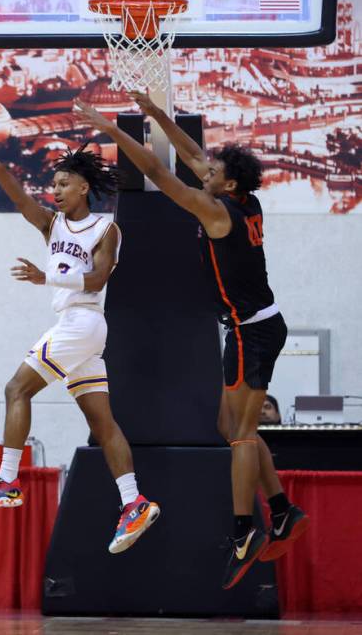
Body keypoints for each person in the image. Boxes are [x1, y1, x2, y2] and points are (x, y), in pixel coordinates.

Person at [74, 94, 308, 589]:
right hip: (254, 325)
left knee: (242, 434)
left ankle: (245, 530)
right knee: (229, 424)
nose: (206, 172)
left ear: (229, 183)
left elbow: (164, 178)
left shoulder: (215, 211)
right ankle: (284, 509)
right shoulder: (243, 198)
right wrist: (159, 117)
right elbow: (195, 158)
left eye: (214, 172)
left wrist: (115, 134)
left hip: (253, 330)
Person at [0, 148, 160, 555]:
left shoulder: (106, 229)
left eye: (64, 184)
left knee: (17, 389)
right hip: (79, 330)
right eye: (53, 185)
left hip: (81, 322)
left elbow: (99, 277)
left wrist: (44, 276)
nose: (56, 191)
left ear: (84, 187)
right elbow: (21, 201)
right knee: (102, 424)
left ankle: (8, 481)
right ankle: (134, 502)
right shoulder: (53, 225)